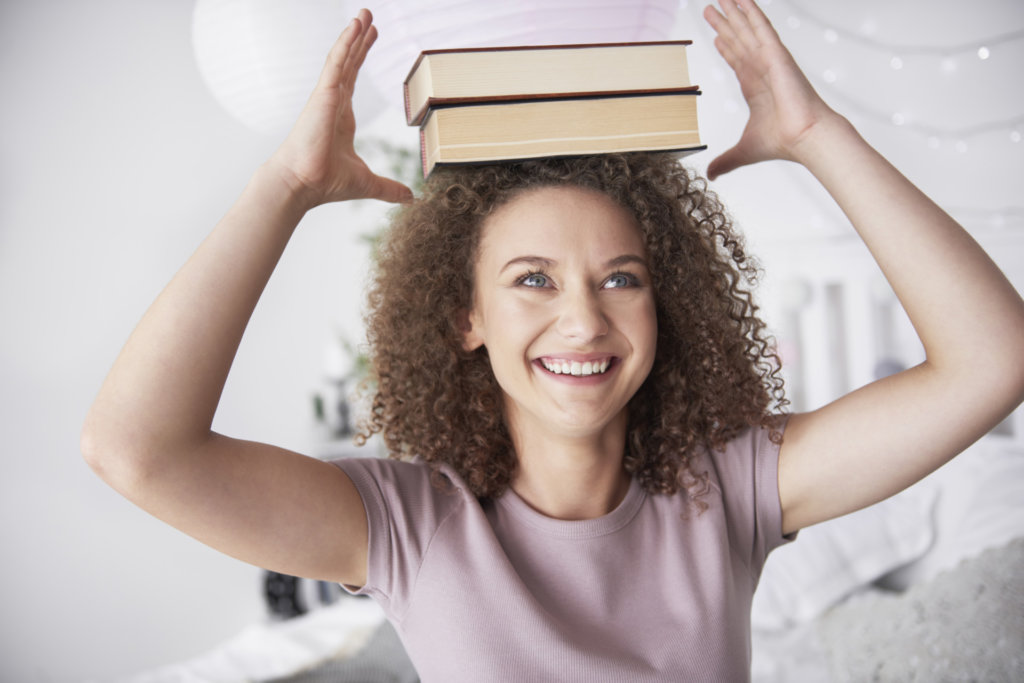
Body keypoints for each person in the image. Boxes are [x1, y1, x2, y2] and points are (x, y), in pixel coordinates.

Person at [81, 1, 1024, 680]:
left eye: (622, 277)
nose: (584, 319)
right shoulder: (409, 527)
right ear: (464, 316)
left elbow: (994, 362)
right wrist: (284, 186)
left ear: (667, 306)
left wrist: (815, 132)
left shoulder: (731, 488)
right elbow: (135, 449)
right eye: (533, 279)